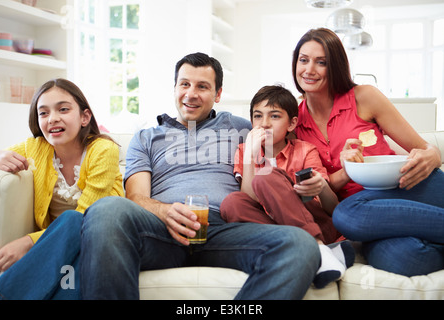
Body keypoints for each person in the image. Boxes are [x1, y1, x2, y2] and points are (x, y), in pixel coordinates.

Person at [79, 52, 321, 300]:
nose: (191, 93)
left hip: (224, 230)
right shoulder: (146, 138)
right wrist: (165, 212)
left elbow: (285, 128)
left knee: (300, 245)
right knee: (106, 209)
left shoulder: (244, 128)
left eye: (202, 86)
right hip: (162, 231)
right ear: (175, 88)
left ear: (218, 94)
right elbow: (135, 197)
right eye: (184, 84)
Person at [292, 28, 444, 277]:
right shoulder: (295, 124)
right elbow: (317, 190)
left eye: (322, 62)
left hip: (407, 188)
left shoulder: (364, 97)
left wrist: (433, 154)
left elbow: (424, 148)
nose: (309, 70)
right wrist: (346, 170)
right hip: (366, 216)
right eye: (303, 59)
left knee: (346, 215)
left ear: (336, 66)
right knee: (408, 259)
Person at [0, 78, 124, 299]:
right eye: (43, 113)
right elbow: (0, 153)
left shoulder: (104, 149)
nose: (52, 118)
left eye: (63, 109)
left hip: (106, 239)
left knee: (74, 220)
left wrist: (29, 241)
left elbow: (86, 216)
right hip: (61, 248)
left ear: (85, 117)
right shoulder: (35, 148)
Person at [220, 85, 353, 288]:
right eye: (257, 116)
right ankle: (307, 249)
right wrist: (250, 156)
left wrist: (321, 187)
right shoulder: (244, 150)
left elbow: (331, 207)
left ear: (291, 123)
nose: (264, 124)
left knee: (264, 178)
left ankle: (317, 248)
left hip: (315, 224)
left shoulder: (305, 150)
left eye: (274, 116)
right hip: (275, 230)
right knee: (231, 203)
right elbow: (249, 198)